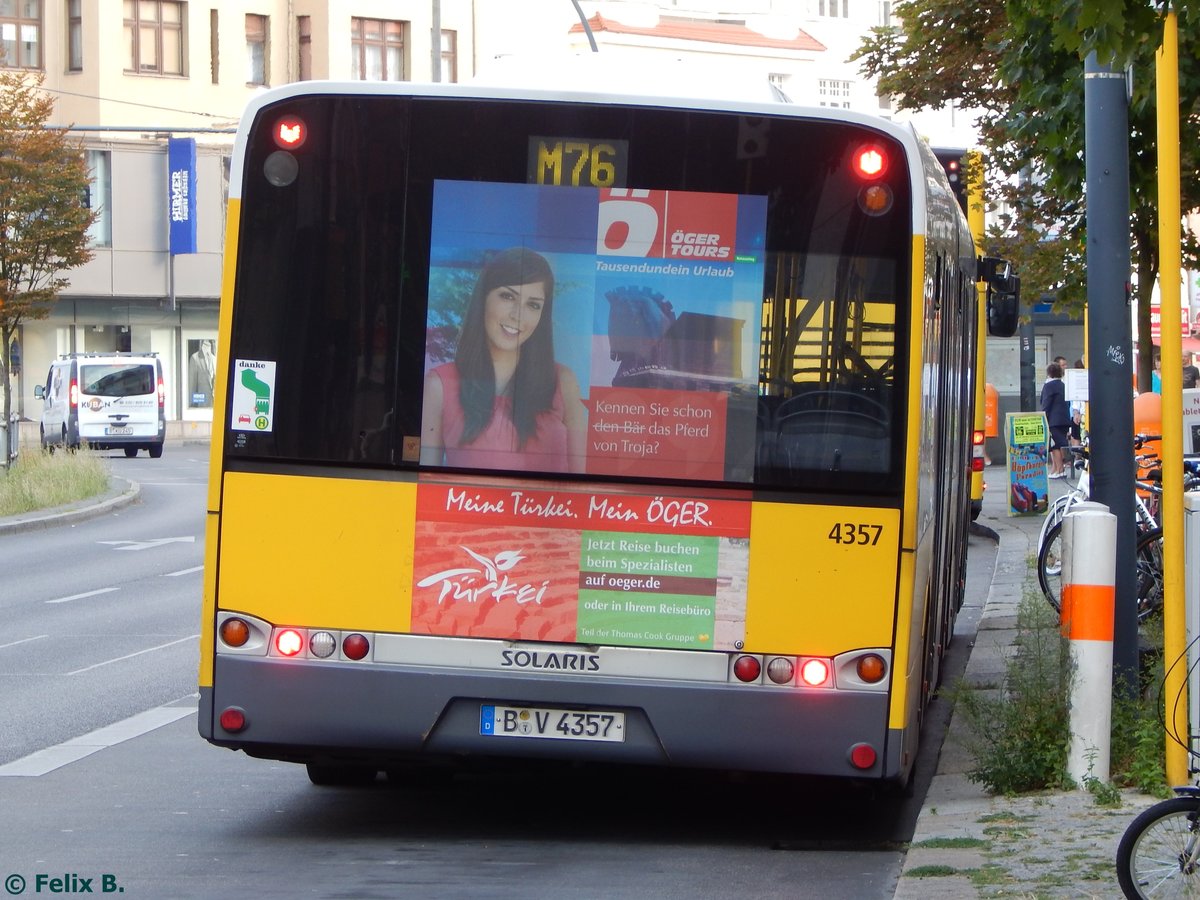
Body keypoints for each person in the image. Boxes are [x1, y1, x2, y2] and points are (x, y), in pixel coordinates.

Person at [420, 247, 587, 473]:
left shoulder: (563, 382)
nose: (517, 314)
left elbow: (582, 484)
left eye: (533, 304)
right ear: (484, 298)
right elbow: (425, 484)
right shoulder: (440, 385)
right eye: (508, 296)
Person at [1040, 361, 1071, 478]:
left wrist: (1044, 417)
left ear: (1049, 373)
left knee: (1055, 445)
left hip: (1053, 419)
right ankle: (1056, 469)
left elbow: (1046, 403)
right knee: (1056, 443)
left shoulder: (1049, 386)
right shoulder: (1062, 385)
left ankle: (1060, 470)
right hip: (1064, 418)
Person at [188, 339, 216, 407]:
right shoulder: (195, 358)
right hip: (201, 403)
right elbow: (192, 384)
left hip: (214, 404)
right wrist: (191, 403)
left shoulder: (215, 358)